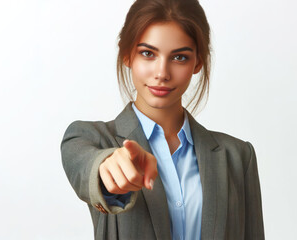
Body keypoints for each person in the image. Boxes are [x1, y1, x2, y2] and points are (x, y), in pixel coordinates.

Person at [61, 0, 264, 239]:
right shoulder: (90, 139)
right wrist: (110, 163)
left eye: (179, 58)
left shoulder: (238, 157)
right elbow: (87, 166)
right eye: (148, 53)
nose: (162, 73)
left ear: (197, 62)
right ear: (127, 55)